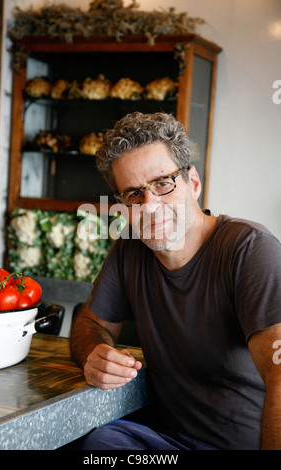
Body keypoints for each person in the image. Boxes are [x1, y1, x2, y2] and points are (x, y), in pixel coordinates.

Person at [70, 112, 281, 450]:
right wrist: (95, 353)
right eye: (134, 193)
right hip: (166, 439)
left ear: (192, 182)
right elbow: (90, 323)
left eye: (162, 183)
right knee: (96, 444)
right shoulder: (130, 247)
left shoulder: (249, 249)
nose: (150, 205)